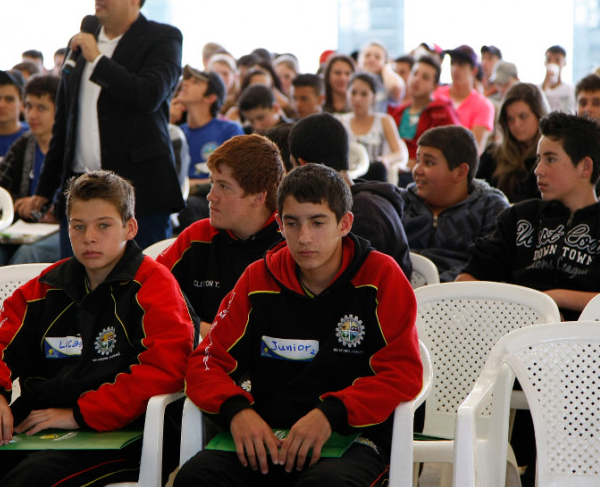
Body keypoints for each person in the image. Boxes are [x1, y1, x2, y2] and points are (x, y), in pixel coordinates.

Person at [0, 170, 196, 486]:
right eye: (78, 226)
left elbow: (166, 369)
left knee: (32, 478)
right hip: (42, 426)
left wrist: (78, 414)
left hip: (128, 432)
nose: (89, 237)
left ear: (129, 228)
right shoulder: (44, 288)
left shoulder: (154, 285)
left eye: (103, 225)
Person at [174, 163, 422, 487]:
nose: (305, 238)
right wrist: (236, 411)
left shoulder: (381, 277)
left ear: (344, 223)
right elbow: (206, 362)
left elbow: (402, 371)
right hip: (270, 435)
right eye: (293, 223)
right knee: (196, 478)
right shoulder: (257, 278)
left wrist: (331, 414)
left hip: (353, 437)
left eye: (318, 223)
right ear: (279, 223)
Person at [19, 0, 185, 254]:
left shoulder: (162, 38)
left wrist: (98, 59)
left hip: (138, 196)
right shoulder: (84, 40)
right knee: (77, 290)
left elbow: (148, 94)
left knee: (141, 289)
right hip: (80, 193)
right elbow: (64, 126)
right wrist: (44, 191)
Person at [458, 112, 600, 320]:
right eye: (539, 159)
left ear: (585, 167)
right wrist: (519, 308)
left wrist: (554, 298)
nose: (538, 170)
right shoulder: (518, 218)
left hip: (598, 344)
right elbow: (466, 280)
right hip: (519, 335)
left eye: (550, 159)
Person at [157, 134, 284, 338]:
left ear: (259, 196)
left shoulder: (290, 244)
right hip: (193, 359)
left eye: (224, 186)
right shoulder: (198, 235)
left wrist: (204, 331)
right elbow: (149, 293)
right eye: (212, 183)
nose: (211, 196)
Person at [290, 112, 413, 277]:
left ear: (303, 165)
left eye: (292, 168)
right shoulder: (363, 201)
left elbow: (357, 287)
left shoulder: (362, 215)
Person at [401, 126, 509, 282]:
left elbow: (489, 266)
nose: (417, 170)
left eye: (429, 163)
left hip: (458, 298)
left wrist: (434, 287)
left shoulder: (490, 208)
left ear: (461, 171)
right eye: (418, 160)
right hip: (400, 290)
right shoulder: (401, 203)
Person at [0, 74, 63, 269]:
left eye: (41, 108)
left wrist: (46, 211)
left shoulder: (72, 148)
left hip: (64, 230)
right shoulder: (24, 144)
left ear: (60, 110)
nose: (32, 115)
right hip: (23, 228)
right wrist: (13, 207)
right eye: (29, 106)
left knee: (29, 253)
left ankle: (12, 300)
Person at [477, 83, 550, 203]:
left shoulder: (551, 157)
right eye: (510, 119)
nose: (516, 125)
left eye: (523, 116)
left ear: (539, 116)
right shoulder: (492, 156)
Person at [388, 55, 459, 170]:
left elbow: (451, 153)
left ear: (435, 86)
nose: (417, 79)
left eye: (425, 77)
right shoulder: (397, 112)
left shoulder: (443, 112)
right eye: (415, 73)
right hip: (393, 168)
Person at [180, 65, 244, 186]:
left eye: (196, 82)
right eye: (187, 79)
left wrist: (189, 186)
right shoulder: (178, 132)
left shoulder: (230, 130)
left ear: (210, 98)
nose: (185, 83)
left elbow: (235, 177)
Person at [337, 72, 405, 182]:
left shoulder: (384, 120)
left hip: (374, 174)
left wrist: (385, 159)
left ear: (373, 97)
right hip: (349, 175)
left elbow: (399, 153)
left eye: (364, 94)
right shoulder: (341, 121)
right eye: (353, 93)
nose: (358, 99)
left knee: (379, 167)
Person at [434, 45, 495, 149]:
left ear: (474, 71)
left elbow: (475, 149)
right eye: (452, 63)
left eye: (461, 64)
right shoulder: (436, 96)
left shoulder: (484, 105)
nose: (455, 69)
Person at [357, 41, 405, 112]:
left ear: (385, 61)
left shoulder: (385, 84)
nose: (372, 59)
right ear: (359, 59)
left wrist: (387, 67)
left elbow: (396, 88)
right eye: (367, 55)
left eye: (377, 57)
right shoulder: (351, 79)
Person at [540, 45, 574, 112]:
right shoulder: (538, 89)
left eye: (557, 60)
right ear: (545, 63)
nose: (552, 63)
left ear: (564, 63)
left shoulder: (570, 90)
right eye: (549, 60)